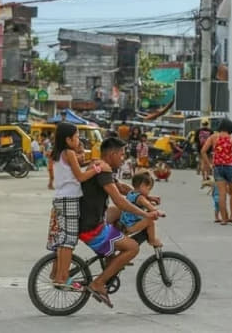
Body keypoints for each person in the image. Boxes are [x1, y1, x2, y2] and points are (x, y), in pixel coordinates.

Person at [79, 137, 161, 308]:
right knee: (132, 247)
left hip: (91, 221)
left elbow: (122, 188)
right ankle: (98, 283)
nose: (123, 158)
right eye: (122, 154)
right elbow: (119, 200)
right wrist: (147, 214)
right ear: (112, 154)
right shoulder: (103, 170)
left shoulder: (101, 167)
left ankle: (111, 259)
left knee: (118, 215)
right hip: (92, 228)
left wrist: (145, 197)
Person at [46, 123, 111, 290]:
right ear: (67, 139)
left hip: (60, 199)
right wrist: (97, 168)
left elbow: (74, 172)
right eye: (75, 137)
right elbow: (81, 177)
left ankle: (59, 275)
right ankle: (63, 277)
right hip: (70, 200)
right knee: (69, 241)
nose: (77, 140)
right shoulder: (69, 153)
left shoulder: (58, 153)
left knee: (63, 240)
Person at [201, 118, 232, 226]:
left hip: (218, 167)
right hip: (230, 168)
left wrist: (209, 164)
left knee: (222, 194)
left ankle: (224, 219)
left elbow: (203, 151)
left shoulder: (213, 137)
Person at [117, 172, 163, 247]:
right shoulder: (140, 198)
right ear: (142, 186)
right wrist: (158, 212)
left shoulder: (130, 193)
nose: (149, 192)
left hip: (124, 223)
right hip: (131, 226)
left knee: (146, 218)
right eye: (148, 189)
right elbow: (149, 206)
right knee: (150, 221)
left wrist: (150, 202)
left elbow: (143, 203)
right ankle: (152, 240)